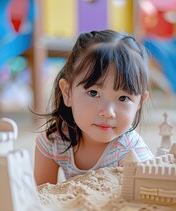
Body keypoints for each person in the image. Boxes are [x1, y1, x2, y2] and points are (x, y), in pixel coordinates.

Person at [34, 30, 154, 185]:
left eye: (123, 98)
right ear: (67, 93)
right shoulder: (54, 140)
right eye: (93, 93)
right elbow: (41, 194)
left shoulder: (131, 152)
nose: (108, 112)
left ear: (139, 103)